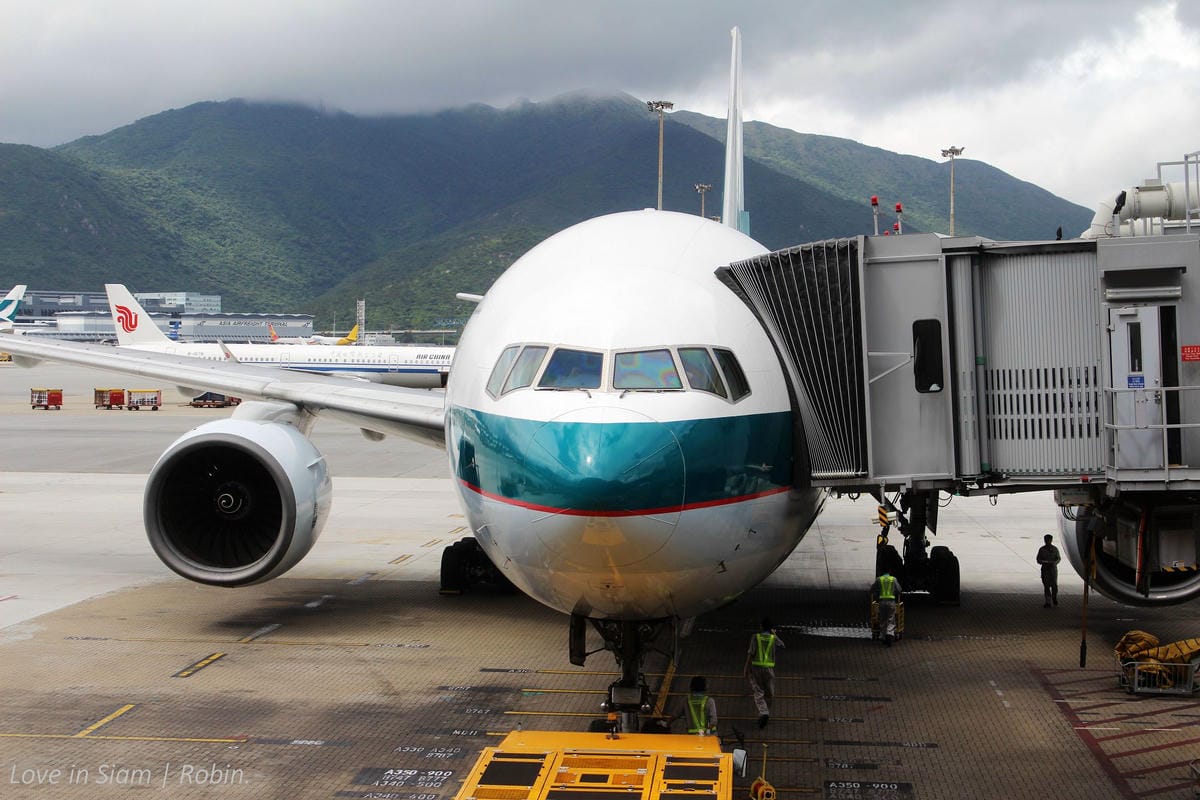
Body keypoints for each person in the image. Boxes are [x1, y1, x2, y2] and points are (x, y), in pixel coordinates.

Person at [745, 617, 784, 728]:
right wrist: (775, 634)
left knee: (758, 691)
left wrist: (746, 668)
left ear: (761, 627)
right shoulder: (773, 638)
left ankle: (764, 713)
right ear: (771, 628)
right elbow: (782, 645)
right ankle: (765, 713)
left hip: (756, 668)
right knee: (769, 693)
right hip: (769, 669)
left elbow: (750, 653)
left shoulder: (755, 637)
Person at [871, 569, 902, 646]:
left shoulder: (879, 579)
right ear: (889, 572)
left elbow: (872, 589)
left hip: (882, 602)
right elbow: (899, 590)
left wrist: (876, 592)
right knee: (891, 619)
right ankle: (889, 634)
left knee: (882, 619)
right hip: (891, 602)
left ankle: (883, 636)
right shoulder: (893, 579)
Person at [1037, 533, 1061, 608]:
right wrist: (1043, 562)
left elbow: (1058, 558)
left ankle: (1054, 597)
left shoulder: (1055, 549)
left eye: (1048, 540)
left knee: (1054, 586)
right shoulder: (1042, 549)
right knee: (1046, 586)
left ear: (1051, 540)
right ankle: (1048, 601)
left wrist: (1054, 563)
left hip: (1053, 570)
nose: (1047, 541)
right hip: (1045, 570)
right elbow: (1038, 559)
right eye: (1046, 540)